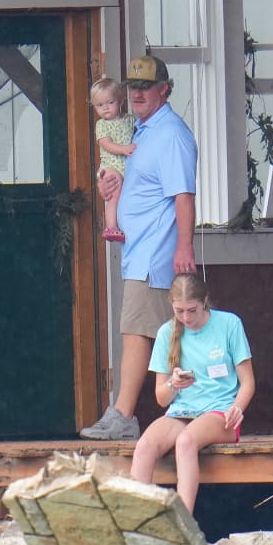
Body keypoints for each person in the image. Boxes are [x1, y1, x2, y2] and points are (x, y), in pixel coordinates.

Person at [80, 55, 198, 440]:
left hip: (155, 254)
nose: (137, 94)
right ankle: (175, 414)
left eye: (145, 87)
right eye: (132, 87)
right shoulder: (142, 130)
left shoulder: (172, 135)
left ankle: (123, 415)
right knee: (163, 334)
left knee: (138, 332)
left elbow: (183, 196)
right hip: (139, 253)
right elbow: (131, 177)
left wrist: (184, 247)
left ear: (164, 88)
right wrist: (110, 186)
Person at [130, 273, 253, 512]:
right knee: (144, 445)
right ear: (172, 307)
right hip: (181, 411)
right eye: (179, 311)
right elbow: (161, 398)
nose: (186, 318)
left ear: (204, 302)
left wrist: (237, 408)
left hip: (220, 411)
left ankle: (183, 521)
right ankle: (136, 519)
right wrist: (174, 384)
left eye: (192, 310)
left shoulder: (229, 324)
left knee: (185, 442)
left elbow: (247, 382)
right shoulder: (167, 332)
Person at [90, 77, 136, 242]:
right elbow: (106, 144)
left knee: (123, 194)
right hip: (110, 166)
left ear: (121, 101)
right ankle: (111, 227)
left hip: (125, 166)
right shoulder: (102, 125)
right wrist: (123, 149)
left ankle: (121, 224)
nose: (106, 108)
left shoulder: (129, 119)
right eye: (100, 105)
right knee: (115, 195)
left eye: (110, 102)